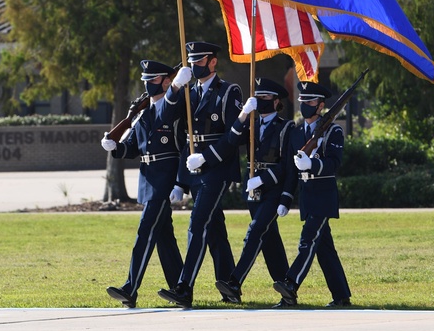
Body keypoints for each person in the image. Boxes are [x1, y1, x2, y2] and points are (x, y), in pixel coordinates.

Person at [157, 41, 240, 308]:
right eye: (192, 61)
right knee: (214, 229)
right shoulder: (188, 92)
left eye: (200, 60)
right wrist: (175, 88)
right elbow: (167, 118)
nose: (195, 65)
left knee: (198, 223)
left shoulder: (228, 91)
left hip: (217, 167)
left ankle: (184, 288)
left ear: (213, 62)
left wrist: (208, 156)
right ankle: (230, 286)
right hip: (193, 168)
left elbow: (233, 136)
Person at [101, 60, 184, 308]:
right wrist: (115, 146)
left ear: (166, 81)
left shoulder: (173, 106)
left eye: (154, 79)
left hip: (165, 177)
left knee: (145, 231)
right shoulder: (143, 114)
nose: (148, 84)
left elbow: (169, 114)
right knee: (163, 237)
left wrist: (177, 88)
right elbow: (134, 147)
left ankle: (130, 288)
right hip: (148, 178)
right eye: (145, 80)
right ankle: (181, 287)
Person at [215, 77, 296, 305]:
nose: (260, 101)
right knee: (268, 239)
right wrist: (242, 115)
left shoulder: (285, 127)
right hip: (254, 192)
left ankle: (234, 283)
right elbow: (231, 140)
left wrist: (268, 184)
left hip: (272, 190)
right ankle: (287, 287)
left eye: (264, 97)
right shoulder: (252, 125)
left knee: (255, 231)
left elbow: (285, 166)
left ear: (276, 101)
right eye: (257, 97)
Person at [272, 81, 352, 308]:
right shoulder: (296, 133)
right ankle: (341, 296)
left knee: (307, 241)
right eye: (303, 101)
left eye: (311, 101)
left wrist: (312, 164)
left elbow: (334, 163)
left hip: (323, 195)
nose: (306, 104)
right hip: (307, 196)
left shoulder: (333, 131)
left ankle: (290, 284)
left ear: (321, 105)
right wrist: (286, 198)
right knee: (324, 248)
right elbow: (290, 170)